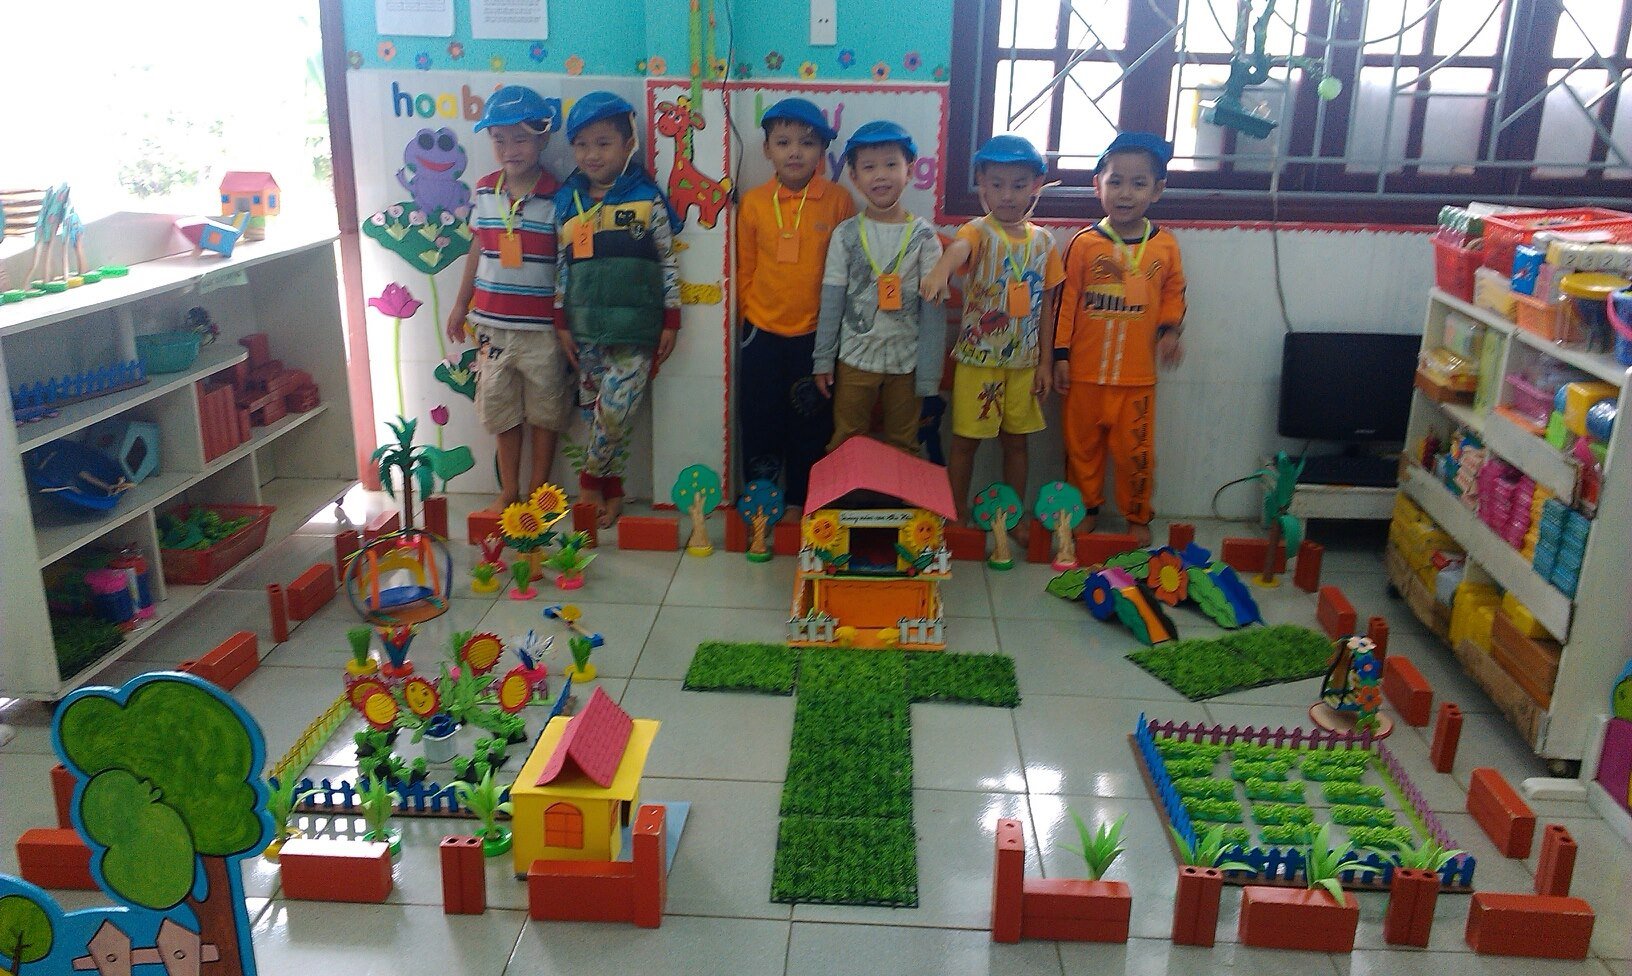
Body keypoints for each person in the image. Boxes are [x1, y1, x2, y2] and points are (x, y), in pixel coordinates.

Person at [552, 91, 682, 528]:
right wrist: (561, 319)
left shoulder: (647, 199)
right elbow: (562, 267)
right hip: (585, 327)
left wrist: (671, 317)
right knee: (594, 413)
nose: (592, 154)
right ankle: (613, 489)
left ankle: (589, 483)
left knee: (615, 411)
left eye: (604, 143)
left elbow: (667, 261)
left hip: (635, 328)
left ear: (628, 145)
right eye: (582, 144)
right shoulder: (568, 202)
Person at [1054, 132, 1187, 548]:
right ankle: (1085, 510)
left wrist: (1169, 331)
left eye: (1138, 183)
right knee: (1081, 450)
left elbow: (1174, 292)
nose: (1125, 193)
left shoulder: (1164, 245)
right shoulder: (1083, 244)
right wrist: (1060, 356)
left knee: (1136, 455)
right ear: (1098, 185)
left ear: (1157, 190)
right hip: (1084, 375)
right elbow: (1065, 304)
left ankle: (1137, 514)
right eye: (1115, 182)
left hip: (1137, 378)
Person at [921, 134, 1064, 522]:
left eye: (1019, 185)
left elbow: (1047, 307)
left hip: (1024, 363)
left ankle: (1011, 520)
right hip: (977, 360)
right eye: (997, 184)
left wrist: (1045, 363)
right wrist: (940, 271)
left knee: (1016, 444)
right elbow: (958, 250)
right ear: (981, 183)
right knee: (965, 442)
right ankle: (954, 515)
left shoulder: (1044, 242)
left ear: (1035, 185)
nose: (1008, 195)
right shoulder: (977, 231)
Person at [445, 85, 570, 513]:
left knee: (546, 412)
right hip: (492, 328)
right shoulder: (484, 190)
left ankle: (539, 493)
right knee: (500, 411)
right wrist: (460, 304)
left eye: (520, 138)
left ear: (543, 138)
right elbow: (476, 248)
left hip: (542, 332)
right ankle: (509, 491)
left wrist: (567, 322)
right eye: (499, 139)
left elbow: (567, 264)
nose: (509, 149)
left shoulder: (559, 196)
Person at [736, 98, 855, 505]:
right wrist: (750, 319)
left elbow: (847, 272)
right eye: (783, 142)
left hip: (816, 337)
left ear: (822, 150)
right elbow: (746, 269)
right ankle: (761, 504)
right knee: (760, 418)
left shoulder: (839, 201)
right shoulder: (753, 202)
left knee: (811, 421)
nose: (794, 152)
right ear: (767, 149)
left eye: (807, 143)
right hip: (761, 333)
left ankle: (805, 503)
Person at [813, 120, 944, 454]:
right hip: (855, 358)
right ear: (854, 176)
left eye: (891, 164)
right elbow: (832, 300)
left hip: (907, 362)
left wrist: (929, 374)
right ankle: (847, 491)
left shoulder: (924, 236)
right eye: (869, 167)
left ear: (909, 170)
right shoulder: (845, 234)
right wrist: (823, 359)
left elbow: (933, 312)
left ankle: (899, 492)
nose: (881, 175)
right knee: (847, 439)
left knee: (904, 444)